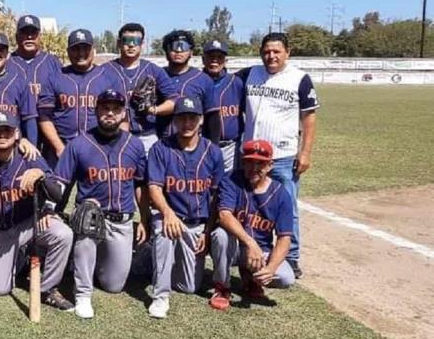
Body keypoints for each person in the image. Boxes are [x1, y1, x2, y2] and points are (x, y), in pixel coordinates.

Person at [0, 111, 74, 310]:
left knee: (63, 234)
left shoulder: (30, 156)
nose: (2, 135)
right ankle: (20, 259)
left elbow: (58, 195)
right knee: (0, 289)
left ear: (16, 134)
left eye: (7, 131)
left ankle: (48, 288)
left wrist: (41, 176)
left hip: (28, 223)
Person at [47, 90, 147, 319]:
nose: (110, 113)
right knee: (87, 215)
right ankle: (83, 293)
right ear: (96, 111)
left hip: (122, 222)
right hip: (92, 218)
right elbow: (61, 183)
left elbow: (141, 185)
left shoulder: (135, 145)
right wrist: (49, 209)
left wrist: (144, 219)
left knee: (114, 285)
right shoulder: (79, 144)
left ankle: (83, 263)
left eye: (115, 109)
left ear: (124, 113)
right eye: (104, 108)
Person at [239, 32, 319, 278]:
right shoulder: (249, 74)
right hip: (251, 156)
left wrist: (304, 152)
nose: (271, 56)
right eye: (266, 51)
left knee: (288, 206)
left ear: (287, 52)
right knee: (247, 203)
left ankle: (291, 257)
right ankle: (246, 250)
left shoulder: (300, 79)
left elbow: (309, 117)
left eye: (276, 51)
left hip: (283, 155)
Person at [145, 96, 227, 319]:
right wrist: (168, 213)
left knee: (188, 286)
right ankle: (160, 296)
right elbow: (154, 187)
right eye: (182, 118)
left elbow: (215, 196)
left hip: (197, 225)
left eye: (192, 118)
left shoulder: (213, 151)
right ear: (174, 120)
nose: (187, 123)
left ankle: (146, 259)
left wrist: (208, 232)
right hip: (171, 218)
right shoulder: (160, 148)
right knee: (163, 230)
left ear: (201, 120)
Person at [214, 139, 297, 306]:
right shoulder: (231, 180)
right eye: (249, 162)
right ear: (243, 162)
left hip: (261, 252)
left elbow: (284, 238)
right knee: (220, 235)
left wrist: (270, 268)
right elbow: (224, 215)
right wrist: (250, 243)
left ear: (270, 165)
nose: (254, 168)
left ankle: (252, 278)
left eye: (260, 163)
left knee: (286, 277)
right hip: (235, 246)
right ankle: (222, 286)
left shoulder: (281, 194)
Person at [38, 28, 129, 165]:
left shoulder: (109, 78)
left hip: (99, 147)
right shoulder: (55, 78)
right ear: (68, 51)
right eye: (76, 49)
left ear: (93, 50)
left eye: (85, 48)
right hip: (61, 146)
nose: (81, 53)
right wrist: (58, 147)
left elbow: (123, 118)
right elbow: (44, 116)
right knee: (55, 186)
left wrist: (116, 148)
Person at [105, 22, 177, 152]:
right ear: (119, 43)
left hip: (146, 135)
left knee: (149, 171)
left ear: (142, 45)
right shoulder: (104, 70)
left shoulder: (153, 70)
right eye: (127, 40)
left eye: (136, 41)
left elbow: (173, 101)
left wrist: (153, 110)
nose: (131, 45)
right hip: (113, 135)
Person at [155, 30, 213, 139]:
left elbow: (212, 117)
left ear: (191, 52)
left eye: (184, 47)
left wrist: (211, 147)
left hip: (193, 144)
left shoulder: (203, 80)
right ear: (166, 51)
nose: (179, 51)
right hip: (160, 142)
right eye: (174, 46)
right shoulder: (156, 76)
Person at [202, 40, 243, 173]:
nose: (215, 60)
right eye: (211, 57)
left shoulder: (236, 82)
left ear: (225, 60)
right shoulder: (196, 81)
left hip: (230, 146)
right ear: (203, 59)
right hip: (203, 145)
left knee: (228, 186)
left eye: (219, 57)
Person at [7, 14, 62, 101]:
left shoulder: (53, 63)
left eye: (33, 32)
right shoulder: (7, 63)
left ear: (40, 36)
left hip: (45, 114)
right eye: (25, 32)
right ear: (17, 36)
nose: (29, 37)